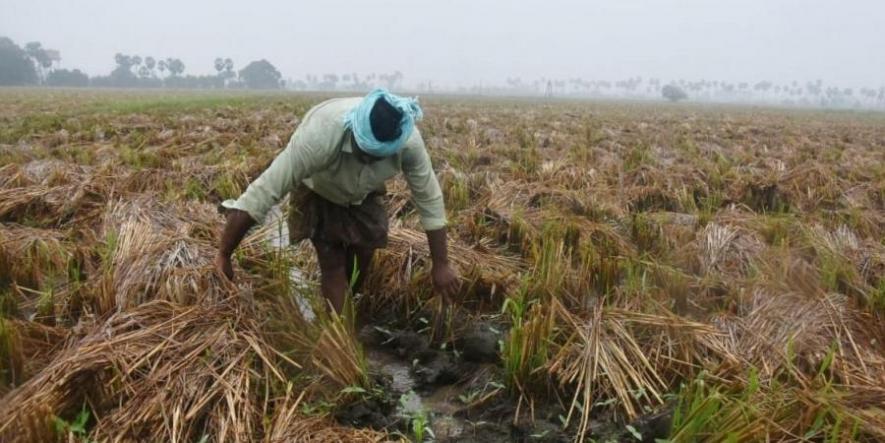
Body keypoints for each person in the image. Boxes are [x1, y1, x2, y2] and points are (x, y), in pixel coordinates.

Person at [215, 89, 460, 312]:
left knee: (362, 257)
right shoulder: (319, 136)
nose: (368, 161)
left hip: (364, 193)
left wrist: (441, 264)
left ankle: (342, 313)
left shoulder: (408, 143)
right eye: (364, 153)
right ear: (355, 131)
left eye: (377, 157)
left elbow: (429, 198)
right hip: (319, 189)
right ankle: (339, 332)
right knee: (333, 265)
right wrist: (224, 254)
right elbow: (264, 190)